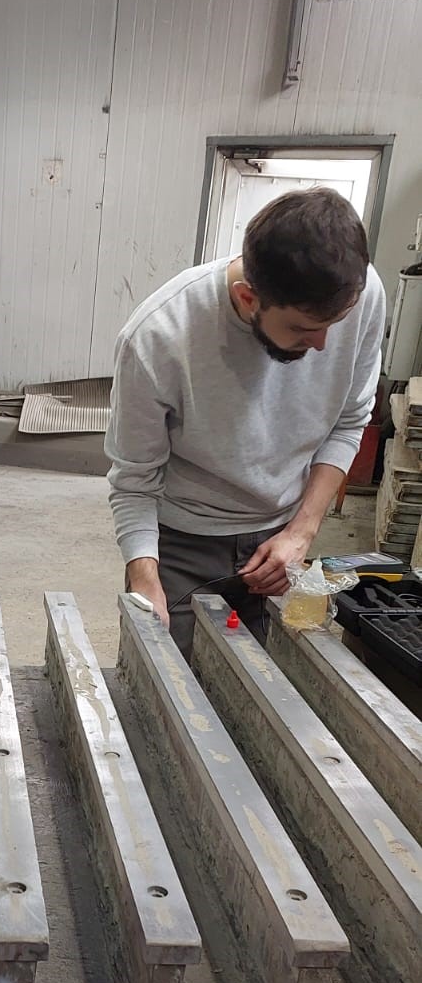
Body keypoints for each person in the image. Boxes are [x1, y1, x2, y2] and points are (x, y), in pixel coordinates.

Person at [106, 187, 386, 658]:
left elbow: (349, 419)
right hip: (182, 543)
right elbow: (134, 480)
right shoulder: (158, 337)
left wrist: (300, 532)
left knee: (264, 686)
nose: (323, 344)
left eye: (334, 324)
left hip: (282, 539)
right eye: (302, 328)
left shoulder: (359, 295)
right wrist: (145, 577)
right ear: (247, 297)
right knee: (165, 684)